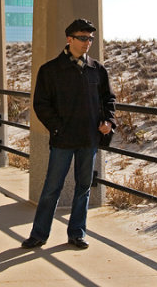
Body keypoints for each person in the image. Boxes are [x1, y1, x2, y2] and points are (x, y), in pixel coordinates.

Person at [21, 18, 116, 250]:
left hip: (88, 140)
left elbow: (109, 100)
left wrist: (109, 121)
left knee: (83, 188)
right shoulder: (50, 70)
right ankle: (39, 234)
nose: (87, 43)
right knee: (51, 188)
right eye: (83, 38)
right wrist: (57, 128)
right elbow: (41, 104)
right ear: (69, 39)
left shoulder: (97, 69)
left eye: (90, 39)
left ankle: (77, 233)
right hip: (63, 140)